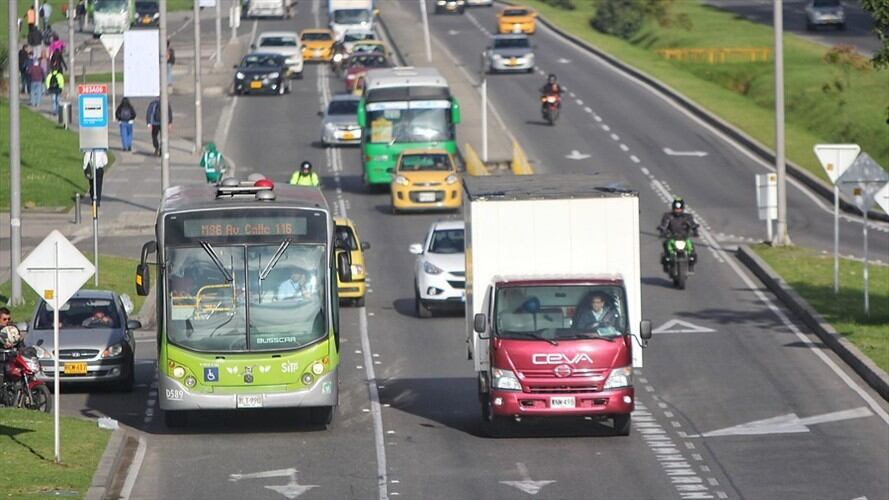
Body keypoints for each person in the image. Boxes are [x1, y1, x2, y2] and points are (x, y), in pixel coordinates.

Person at [657, 197, 700, 272]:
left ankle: (690, 265)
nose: (678, 211)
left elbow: (692, 224)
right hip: (672, 237)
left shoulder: (687, 217)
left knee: (691, 250)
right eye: (676, 209)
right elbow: (664, 225)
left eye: (679, 209)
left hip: (684, 238)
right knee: (666, 245)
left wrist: (695, 231)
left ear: (682, 209)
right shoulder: (668, 216)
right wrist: (662, 231)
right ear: (673, 208)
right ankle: (667, 266)